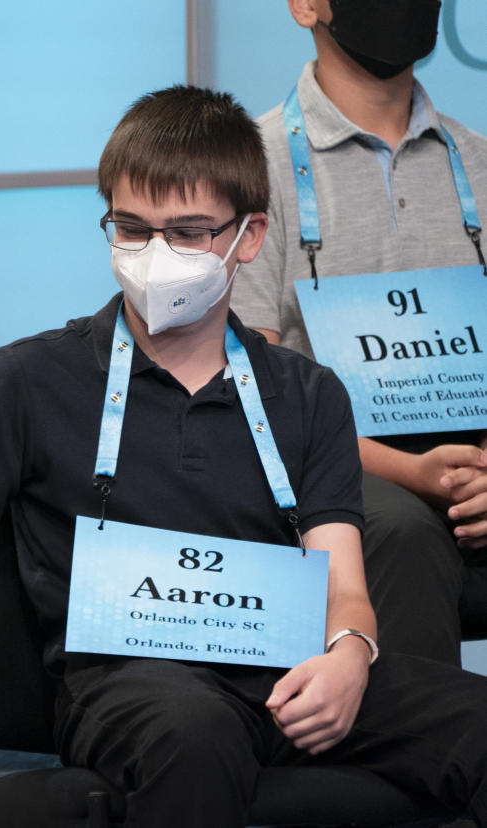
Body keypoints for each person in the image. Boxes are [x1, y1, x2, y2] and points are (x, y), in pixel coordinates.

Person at [0, 86, 487, 826]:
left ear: (248, 238)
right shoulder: (29, 379)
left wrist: (350, 657)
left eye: (187, 234)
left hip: (286, 675)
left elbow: (345, 584)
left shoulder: (306, 392)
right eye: (132, 228)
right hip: (132, 687)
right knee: (195, 733)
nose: (155, 256)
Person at [232, 0, 487, 664]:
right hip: (329, 463)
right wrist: (412, 471)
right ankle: (427, 761)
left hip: (471, 457)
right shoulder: (252, 168)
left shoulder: (479, 162)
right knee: (400, 532)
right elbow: (252, 385)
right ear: (305, 6)